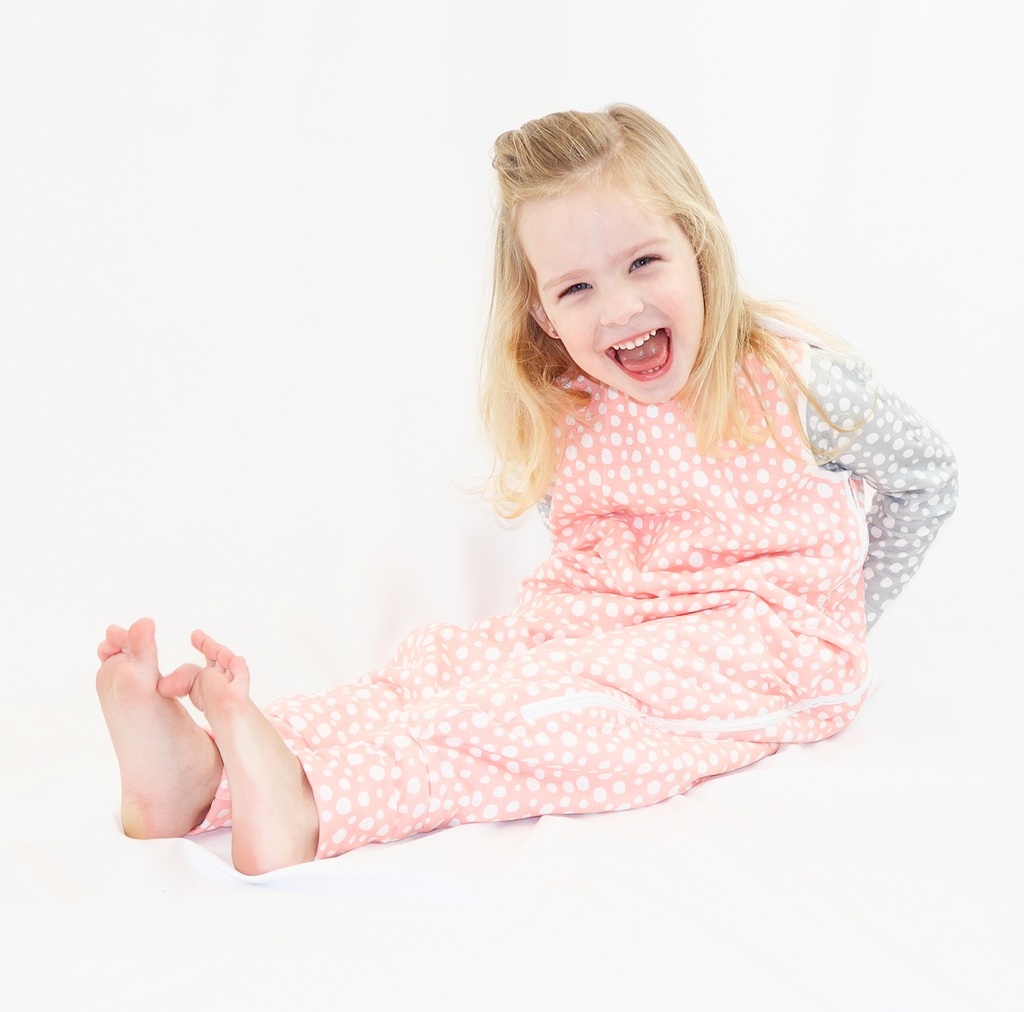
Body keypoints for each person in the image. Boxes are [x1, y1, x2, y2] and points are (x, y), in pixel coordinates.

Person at [96, 105, 957, 876]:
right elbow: (578, 544)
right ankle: (203, 778)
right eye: (577, 288)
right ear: (544, 313)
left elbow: (927, 479)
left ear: (699, 247)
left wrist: (842, 620)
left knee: (553, 718)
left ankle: (317, 802)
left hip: (753, 641)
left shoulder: (798, 386)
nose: (617, 309)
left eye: (643, 262)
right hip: (598, 619)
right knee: (446, 671)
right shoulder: (569, 408)